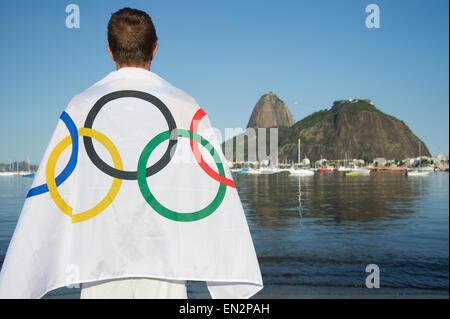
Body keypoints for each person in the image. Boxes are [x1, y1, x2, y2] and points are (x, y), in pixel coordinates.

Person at [0, 7, 262, 299]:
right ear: (155, 49)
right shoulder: (186, 106)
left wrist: (22, 279)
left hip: (99, 266)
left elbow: (51, 190)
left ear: (110, 51)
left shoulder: (79, 107)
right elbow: (213, 189)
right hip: (166, 267)